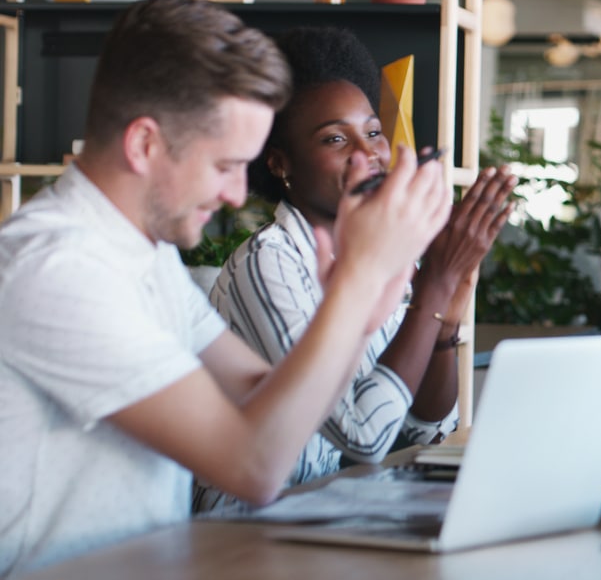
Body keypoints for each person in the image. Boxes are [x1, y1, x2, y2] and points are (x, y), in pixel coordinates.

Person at [0, 0, 453, 577]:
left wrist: (361, 308)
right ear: (144, 144)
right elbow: (252, 466)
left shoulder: (145, 252)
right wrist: (357, 286)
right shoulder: (58, 268)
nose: (240, 193)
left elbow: (267, 393)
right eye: (225, 165)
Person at [192, 26, 516, 513]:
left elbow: (422, 429)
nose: (367, 155)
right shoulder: (268, 263)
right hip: (251, 530)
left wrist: (443, 322)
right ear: (281, 163)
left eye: (372, 132)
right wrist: (433, 288)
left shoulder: (382, 251)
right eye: (336, 138)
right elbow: (362, 438)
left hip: (338, 514)